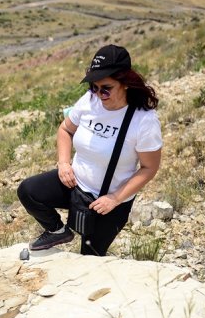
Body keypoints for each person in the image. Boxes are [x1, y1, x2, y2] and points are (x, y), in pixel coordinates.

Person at [17, 45, 163, 256]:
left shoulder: (143, 120)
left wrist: (115, 198)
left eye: (106, 88)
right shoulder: (89, 100)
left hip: (108, 202)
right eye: (94, 87)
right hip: (75, 184)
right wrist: (64, 163)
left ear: (125, 83)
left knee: (90, 256)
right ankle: (58, 231)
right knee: (29, 191)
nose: (98, 94)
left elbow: (149, 168)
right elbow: (65, 129)